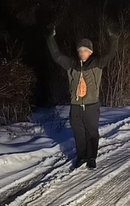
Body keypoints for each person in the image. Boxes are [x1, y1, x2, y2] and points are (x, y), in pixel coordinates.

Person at [46, 26, 118, 169]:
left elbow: (111, 53)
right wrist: (50, 38)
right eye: (80, 51)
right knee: (78, 133)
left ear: (90, 52)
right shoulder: (72, 65)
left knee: (91, 132)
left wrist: (113, 37)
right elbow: (57, 56)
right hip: (76, 106)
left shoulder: (97, 63)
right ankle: (82, 156)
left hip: (91, 106)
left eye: (85, 50)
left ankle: (91, 157)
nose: (82, 53)